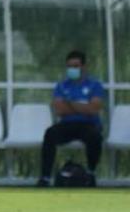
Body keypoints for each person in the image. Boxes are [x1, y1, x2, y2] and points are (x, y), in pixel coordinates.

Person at [38, 50, 105, 187]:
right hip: (67, 124)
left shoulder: (95, 85)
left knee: (95, 136)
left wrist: (70, 103)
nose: (72, 69)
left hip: (88, 124)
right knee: (50, 134)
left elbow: (93, 110)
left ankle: (90, 174)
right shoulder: (61, 86)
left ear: (84, 67)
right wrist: (83, 106)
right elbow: (59, 110)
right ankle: (45, 177)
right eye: (69, 66)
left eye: (75, 66)